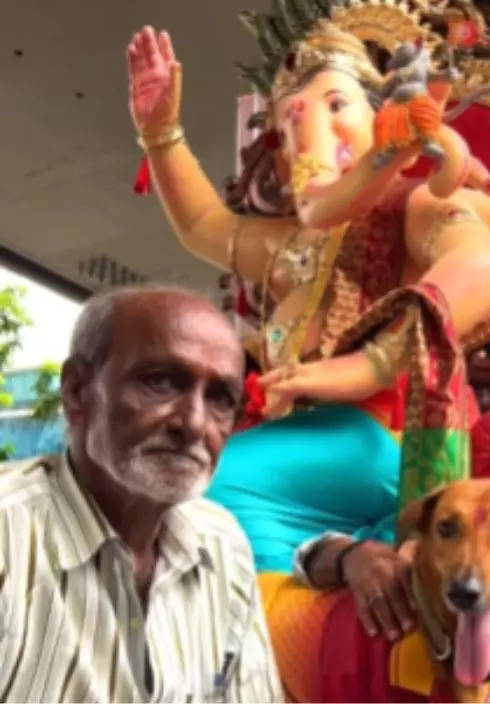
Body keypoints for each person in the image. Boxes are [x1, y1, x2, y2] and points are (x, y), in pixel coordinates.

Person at [124, 0, 490, 694]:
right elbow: (204, 228)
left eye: (337, 105)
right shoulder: (290, 247)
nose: (312, 131)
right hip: (300, 473)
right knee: (234, 593)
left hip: (376, 446)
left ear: (382, 120)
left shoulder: (418, 206)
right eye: (293, 117)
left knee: (203, 489)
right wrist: (161, 130)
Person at [0, 287, 282, 702]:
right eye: (161, 382)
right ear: (78, 391)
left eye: (220, 398)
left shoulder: (222, 545)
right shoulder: (10, 536)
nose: (194, 424)